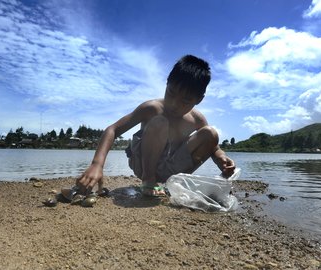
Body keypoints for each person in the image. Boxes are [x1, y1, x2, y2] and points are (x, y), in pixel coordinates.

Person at [76, 54, 236, 197]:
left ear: (199, 100)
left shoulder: (197, 119)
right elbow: (113, 129)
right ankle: (149, 180)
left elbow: (213, 147)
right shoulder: (152, 108)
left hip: (171, 168)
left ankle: (175, 183)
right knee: (160, 121)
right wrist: (97, 164)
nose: (174, 104)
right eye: (171, 93)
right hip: (143, 164)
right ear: (167, 84)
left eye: (185, 101)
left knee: (210, 134)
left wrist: (221, 158)